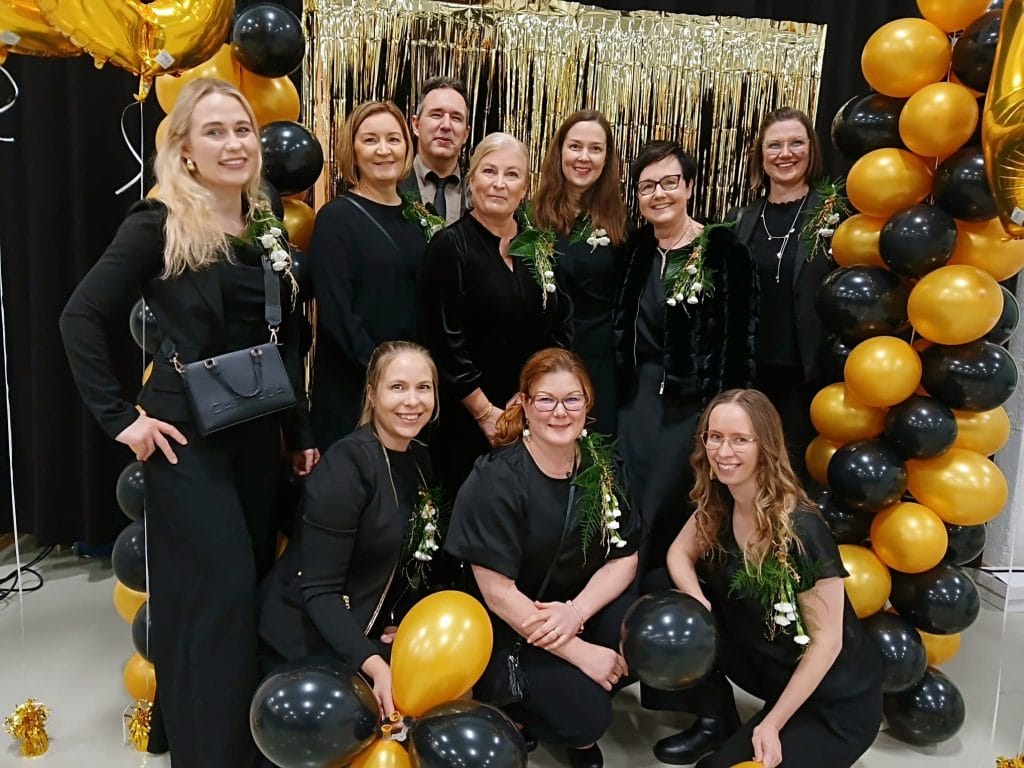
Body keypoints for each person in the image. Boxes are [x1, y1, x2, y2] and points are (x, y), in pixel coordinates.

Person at [59, 78, 317, 767]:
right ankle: (209, 753)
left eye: (242, 129)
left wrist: (301, 434)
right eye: (215, 131)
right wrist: (122, 420)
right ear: (185, 149)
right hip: (187, 444)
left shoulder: (265, 217)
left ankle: (244, 740)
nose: (234, 143)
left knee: (249, 586)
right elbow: (79, 318)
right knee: (218, 597)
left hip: (259, 434)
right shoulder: (160, 222)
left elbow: (288, 335)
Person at [655, 388, 882, 767]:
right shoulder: (720, 501)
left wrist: (771, 725)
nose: (724, 452)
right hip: (772, 668)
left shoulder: (801, 528)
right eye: (715, 437)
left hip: (835, 701)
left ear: (766, 446)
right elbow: (679, 553)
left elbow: (827, 644)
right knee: (663, 598)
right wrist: (697, 602)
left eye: (740, 440)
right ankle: (716, 718)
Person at [445, 348, 639, 768]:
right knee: (589, 719)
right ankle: (518, 711)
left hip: (568, 607)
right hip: (510, 625)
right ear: (524, 405)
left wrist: (574, 612)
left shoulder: (603, 465)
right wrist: (579, 652)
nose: (559, 412)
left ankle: (568, 692)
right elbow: (498, 595)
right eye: (545, 400)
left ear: (587, 405)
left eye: (572, 399)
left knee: (641, 631)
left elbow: (625, 556)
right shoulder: (496, 479)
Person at [259, 341, 438, 719]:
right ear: (372, 394)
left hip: (363, 630)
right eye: (397, 387)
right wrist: (373, 664)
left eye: (424, 387)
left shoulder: (419, 460)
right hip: (306, 638)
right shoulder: (347, 467)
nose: (413, 400)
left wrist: (398, 619)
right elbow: (320, 591)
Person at [614, 140, 756, 579]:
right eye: (647, 186)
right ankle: (622, 589)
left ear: (689, 187)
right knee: (629, 494)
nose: (659, 194)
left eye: (669, 183)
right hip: (636, 398)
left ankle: (662, 589)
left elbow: (740, 341)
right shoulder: (635, 250)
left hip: (693, 404)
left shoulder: (722, 250)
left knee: (671, 498)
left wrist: (727, 412)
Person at [418, 132, 572, 498]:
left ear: (525, 187)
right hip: (468, 418)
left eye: (512, 174)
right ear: (472, 180)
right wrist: (486, 414)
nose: (500, 184)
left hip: (532, 412)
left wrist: (536, 401)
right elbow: (443, 339)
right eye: (489, 171)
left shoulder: (539, 247)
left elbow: (560, 327)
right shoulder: (449, 246)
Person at [308, 100, 430, 450]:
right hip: (355, 390)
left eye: (393, 139)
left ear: (407, 146)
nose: (383, 150)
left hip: (408, 399)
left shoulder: (419, 218)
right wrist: (386, 378)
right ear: (353, 149)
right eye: (370, 139)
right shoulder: (336, 219)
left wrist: (414, 384)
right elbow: (337, 315)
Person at [728, 108, 837, 482]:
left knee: (795, 481)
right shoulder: (741, 220)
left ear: (812, 149)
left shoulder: (833, 215)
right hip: (750, 377)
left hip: (807, 379)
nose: (785, 153)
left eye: (796, 143)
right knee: (746, 477)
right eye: (774, 145)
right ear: (761, 154)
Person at [533, 110, 628, 436]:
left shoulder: (620, 225)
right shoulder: (531, 217)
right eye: (575, 146)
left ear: (607, 158)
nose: (584, 157)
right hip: (542, 361)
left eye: (595, 148)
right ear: (560, 151)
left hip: (599, 364)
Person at [399, 76, 471, 224]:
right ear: (416, 125)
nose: (446, 125)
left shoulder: (480, 193)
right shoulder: (392, 185)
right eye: (436, 115)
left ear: (465, 134)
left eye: (456, 118)